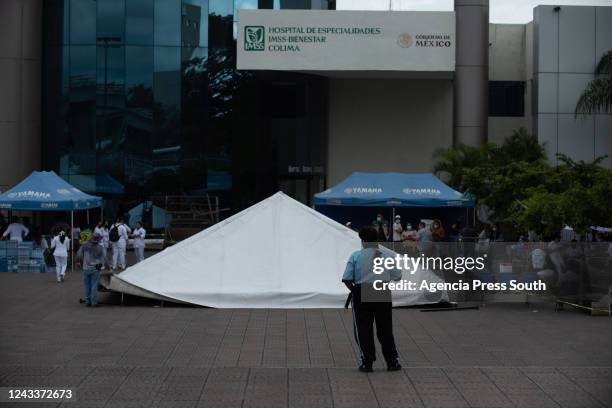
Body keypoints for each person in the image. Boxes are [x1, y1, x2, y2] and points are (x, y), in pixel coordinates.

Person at [342, 226, 402, 373]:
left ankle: (367, 362)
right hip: (382, 291)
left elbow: (347, 279)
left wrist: (355, 291)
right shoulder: (388, 255)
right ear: (376, 239)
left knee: (363, 329)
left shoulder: (355, 256)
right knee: (385, 329)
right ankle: (392, 362)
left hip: (362, 291)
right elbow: (397, 277)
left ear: (362, 240)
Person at [76, 233, 105, 307]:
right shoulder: (100, 247)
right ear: (98, 239)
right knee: (94, 285)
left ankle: (88, 301)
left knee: (87, 285)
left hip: (86, 268)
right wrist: (108, 267)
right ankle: (94, 302)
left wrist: (78, 262)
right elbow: (104, 258)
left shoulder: (84, 246)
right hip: (95, 268)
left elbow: (78, 255)